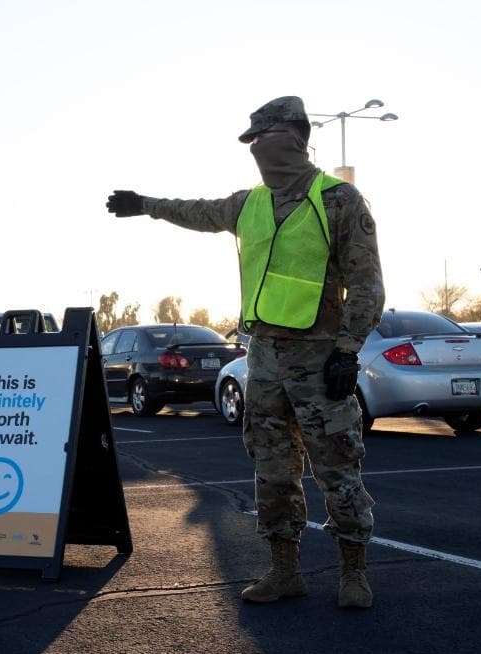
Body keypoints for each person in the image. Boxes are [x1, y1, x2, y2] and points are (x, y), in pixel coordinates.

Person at [106, 96, 385, 609]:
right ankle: (284, 571)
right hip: (264, 361)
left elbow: (368, 284)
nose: (257, 148)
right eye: (252, 141)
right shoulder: (248, 204)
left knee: (337, 466)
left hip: (320, 359)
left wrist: (348, 348)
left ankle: (353, 573)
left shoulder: (339, 200)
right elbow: (198, 212)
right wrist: (146, 204)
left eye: (264, 136)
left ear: (296, 134)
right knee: (272, 471)